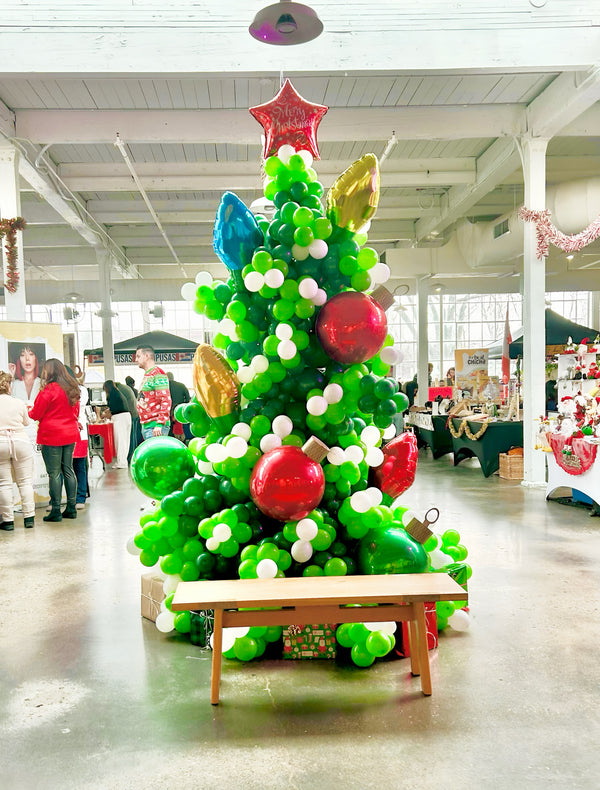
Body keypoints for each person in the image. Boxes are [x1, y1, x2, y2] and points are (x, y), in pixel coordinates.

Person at [29, 359, 80, 523]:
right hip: (70, 433)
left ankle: (56, 510)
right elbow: (76, 412)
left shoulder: (48, 390)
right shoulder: (72, 389)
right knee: (68, 470)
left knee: (54, 473)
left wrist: (29, 409)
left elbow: (36, 414)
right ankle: (71, 508)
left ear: (49, 372)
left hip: (51, 435)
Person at [0, 371, 36, 530]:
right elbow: (27, 422)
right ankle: (29, 518)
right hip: (20, 442)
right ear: (8, 385)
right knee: (25, 482)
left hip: (0, 443)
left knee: (4, 484)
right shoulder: (18, 402)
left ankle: (8, 522)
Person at [134, 346, 172, 439]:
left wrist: (159, 424)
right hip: (148, 425)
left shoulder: (157, 374)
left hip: (155, 426)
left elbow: (165, 399)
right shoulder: (150, 374)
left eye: (138, 356)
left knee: (156, 454)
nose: (136, 360)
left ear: (146, 356)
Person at [66, 366, 90, 511]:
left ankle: (80, 496)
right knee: (64, 467)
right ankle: (67, 498)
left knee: (79, 466)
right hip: (65, 433)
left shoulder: (82, 391)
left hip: (79, 433)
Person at [102, 381, 131, 469]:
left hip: (119, 418)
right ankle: (123, 461)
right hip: (127, 416)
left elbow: (111, 411)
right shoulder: (118, 393)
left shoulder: (111, 395)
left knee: (120, 441)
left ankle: (121, 462)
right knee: (125, 441)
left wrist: (103, 415)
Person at [115, 380, 139, 462]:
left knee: (129, 438)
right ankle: (133, 455)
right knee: (133, 437)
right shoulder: (124, 388)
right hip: (135, 413)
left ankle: (130, 457)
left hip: (131, 414)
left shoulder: (120, 390)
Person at [166, 371, 190, 439]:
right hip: (180, 412)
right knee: (181, 432)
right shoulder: (181, 385)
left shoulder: (164, 387)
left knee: (169, 432)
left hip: (168, 412)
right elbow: (188, 398)